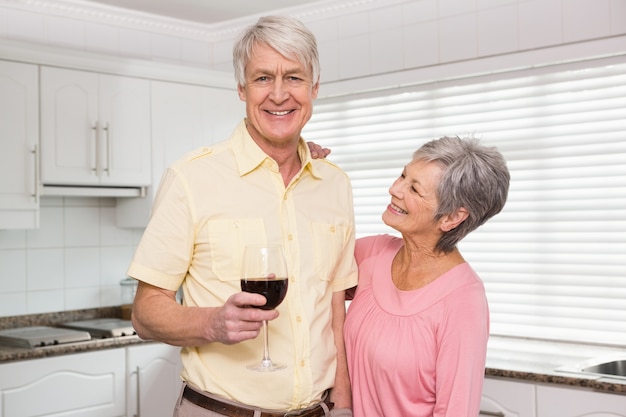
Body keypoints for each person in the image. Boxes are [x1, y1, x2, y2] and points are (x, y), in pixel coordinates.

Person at [127, 16, 356, 417]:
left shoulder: (334, 185)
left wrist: (344, 405)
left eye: (295, 78)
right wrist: (212, 323)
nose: (280, 95)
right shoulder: (190, 178)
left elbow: (335, 310)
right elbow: (145, 313)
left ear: (315, 88)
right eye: (263, 78)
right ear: (241, 89)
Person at [310, 136, 509, 416]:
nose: (394, 189)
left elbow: (456, 410)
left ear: (452, 217)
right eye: (403, 175)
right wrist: (301, 173)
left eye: (414, 189)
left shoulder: (463, 300)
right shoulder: (372, 254)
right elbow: (302, 268)